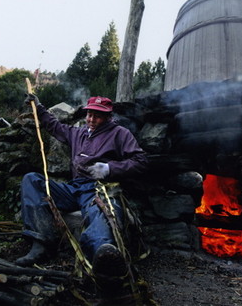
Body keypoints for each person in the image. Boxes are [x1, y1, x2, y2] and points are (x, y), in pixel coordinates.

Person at [16, 94, 148, 290]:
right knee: (31, 180)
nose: (91, 120)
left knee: (100, 213)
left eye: (97, 116)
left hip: (97, 189)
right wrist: (39, 107)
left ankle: (101, 256)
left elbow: (141, 161)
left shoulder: (120, 134)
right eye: (89, 115)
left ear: (108, 117)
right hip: (74, 187)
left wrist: (109, 168)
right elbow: (55, 127)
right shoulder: (79, 133)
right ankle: (41, 243)